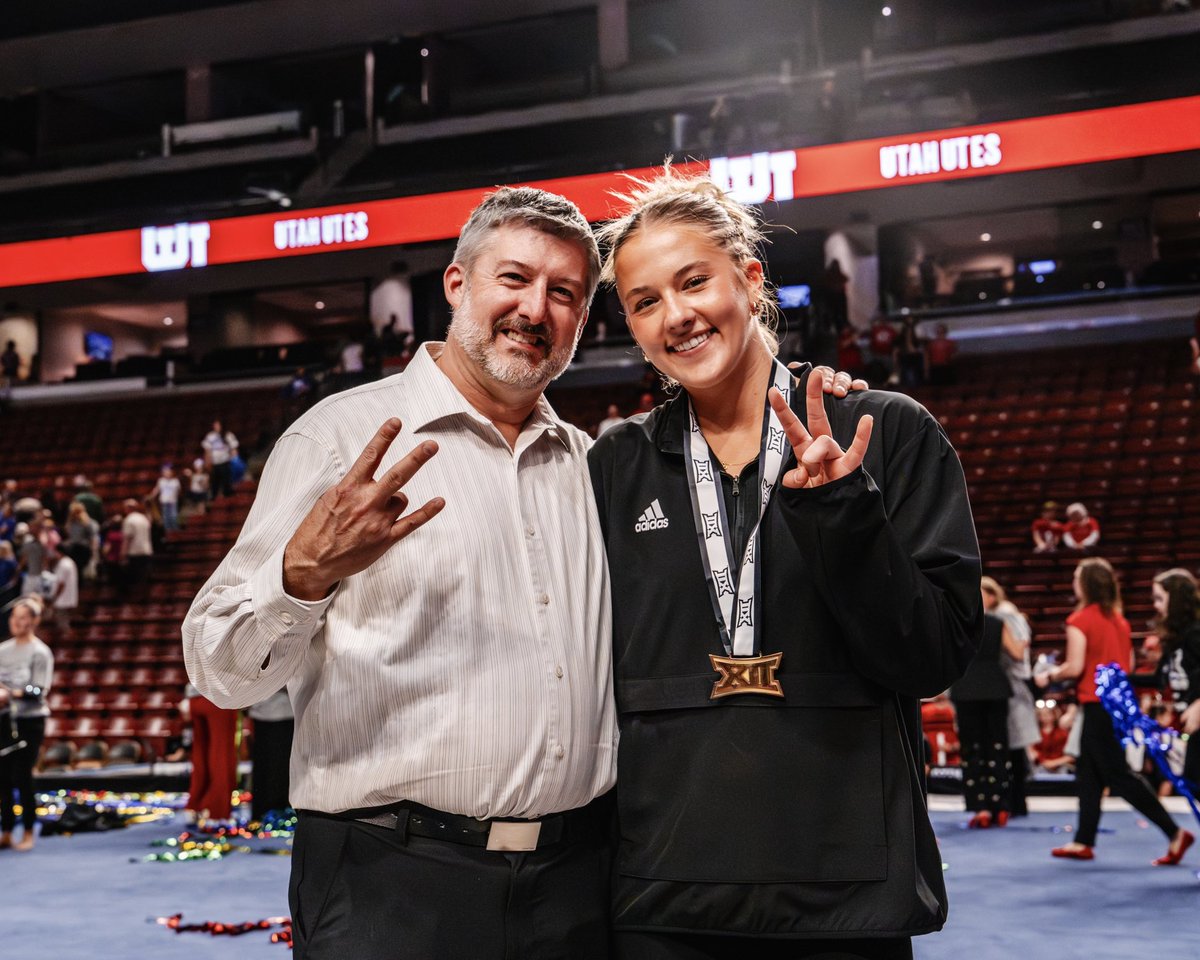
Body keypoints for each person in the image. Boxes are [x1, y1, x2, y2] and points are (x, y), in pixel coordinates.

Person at [590, 168, 982, 959]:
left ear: (750, 274)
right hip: (663, 902)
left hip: (842, 899)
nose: (678, 316)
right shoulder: (614, 465)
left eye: (694, 280)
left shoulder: (885, 430)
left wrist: (844, 512)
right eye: (645, 301)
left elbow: (930, 657)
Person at [1035, 557, 1193, 865]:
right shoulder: (1119, 621)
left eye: (1076, 577)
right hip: (1116, 704)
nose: (1072, 583)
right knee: (1089, 773)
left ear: (1085, 584)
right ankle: (1083, 840)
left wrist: (1049, 675)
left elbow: (1077, 666)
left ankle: (1174, 832)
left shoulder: (1080, 619)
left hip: (1096, 704)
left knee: (1117, 776)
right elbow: (1128, 666)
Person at [981, 576, 1040, 817]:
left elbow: (1018, 650)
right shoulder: (1004, 614)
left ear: (992, 595)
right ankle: (1016, 802)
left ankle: (1016, 802)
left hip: (1010, 686)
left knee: (1012, 748)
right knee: (1012, 748)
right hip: (1007, 685)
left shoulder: (1004, 614)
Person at [949, 605, 1011, 829]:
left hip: (966, 686)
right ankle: (1001, 804)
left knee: (971, 748)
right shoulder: (996, 622)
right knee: (997, 746)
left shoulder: (957, 619)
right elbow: (1015, 651)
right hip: (995, 685)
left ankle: (980, 807)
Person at [0, 597, 54, 852]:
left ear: (34, 621)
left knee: (23, 775)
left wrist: (11, 693)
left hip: (30, 720)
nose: (18, 623)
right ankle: (7, 830)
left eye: (23, 618)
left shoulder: (40, 652)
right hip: (5, 719)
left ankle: (30, 830)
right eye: (14, 618)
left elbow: (39, 689)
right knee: (3, 777)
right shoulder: (3, 650)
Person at [1150, 568, 1200, 793]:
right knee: (1192, 778)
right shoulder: (1176, 638)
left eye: (1160, 598)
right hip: (1192, 719)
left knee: (1194, 776)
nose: (1156, 606)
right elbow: (1158, 679)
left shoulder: (1196, 632)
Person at [179, 683, 239, 822]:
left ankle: (194, 806)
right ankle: (217, 812)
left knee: (201, 755)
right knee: (221, 754)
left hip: (195, 697)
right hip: (221, 697)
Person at [202, 420, 239, 499]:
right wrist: (207, 461)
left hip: (225, 462)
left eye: (218, 425)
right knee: (215, 482)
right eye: (215, 425)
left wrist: (233, 459)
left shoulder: (228, 435)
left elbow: (234, 449)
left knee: (226, 481)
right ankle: (214, 496)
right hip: (215, 463)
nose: (216, 427)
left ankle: (227, 495)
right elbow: (207, 450)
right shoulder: (210, 436)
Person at [148, 464, 182, 533]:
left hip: (172, 501)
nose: (167, 473)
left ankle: (175, 531)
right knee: (166, 517)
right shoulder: (161, 481)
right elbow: (156, 490)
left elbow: (179, 491)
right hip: (164, 502)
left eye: (168, 472)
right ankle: (167, 531)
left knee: (173, 516)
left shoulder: (175, 481)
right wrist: (151, 496)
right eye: (165, 472)